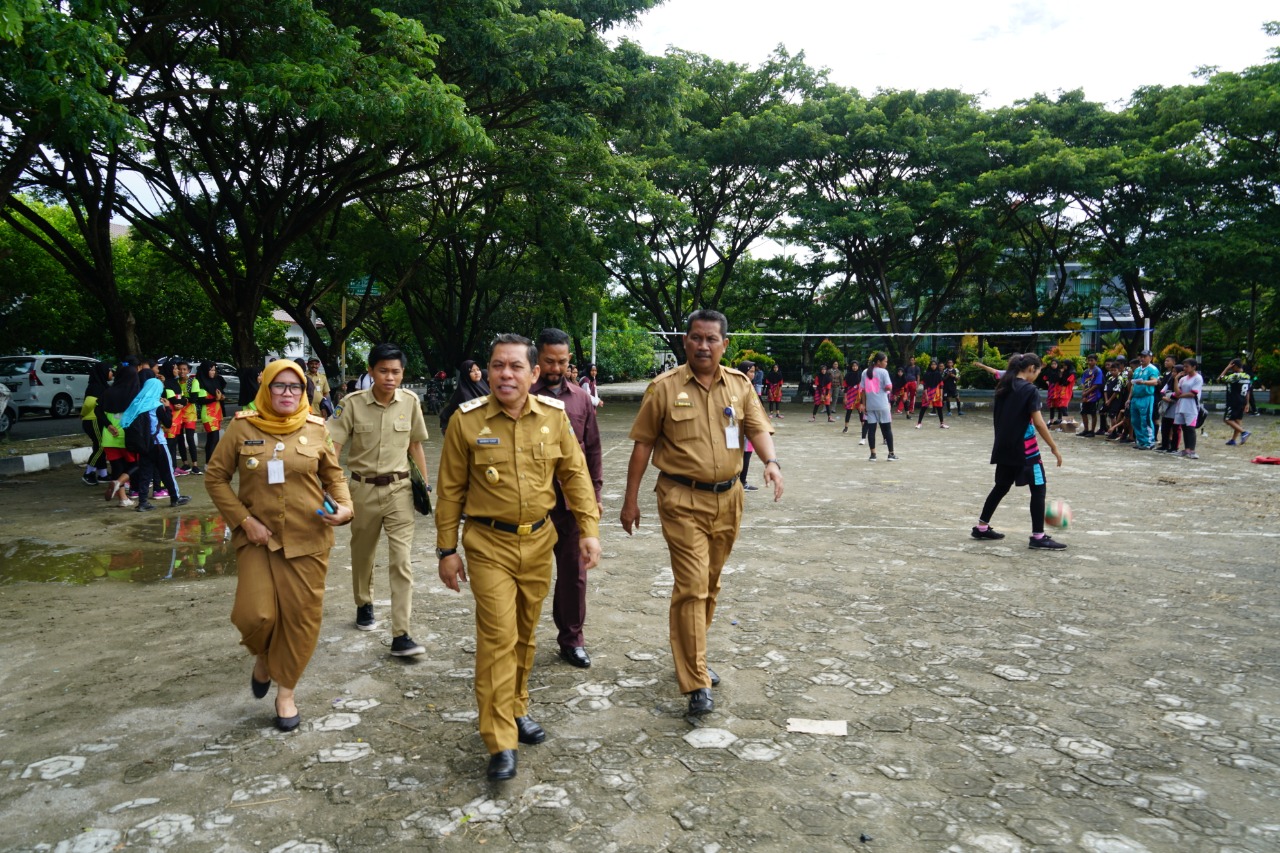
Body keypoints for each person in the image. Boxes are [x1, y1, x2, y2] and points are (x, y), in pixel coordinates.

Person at [435, 333, 601, 781]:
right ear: (487, 372)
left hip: (539, 540)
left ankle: (516, 705)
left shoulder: (553, 416)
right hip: (488, 545)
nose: (505, 374)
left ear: (533, 374)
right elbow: (449, 491)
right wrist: (446, 549)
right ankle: (500, 737)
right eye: (496, 366)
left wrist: (589, 529)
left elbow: (575, 474)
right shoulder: (465, 422)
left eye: (514, 367)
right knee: (497, 638)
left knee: (526, 634)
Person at [620, 309, 783, 718]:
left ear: (724, 344)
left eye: (711, 339)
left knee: (709, 585)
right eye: (696, 338)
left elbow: (755, 427)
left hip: (728, 499)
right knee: (691, 584)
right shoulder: (663, 388)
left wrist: (771, 462)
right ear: (686, 341)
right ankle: (695, 680)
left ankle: (694, 654)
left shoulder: (740, 385)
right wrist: (630, 499)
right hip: (680, 498)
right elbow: (642, 445)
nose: (703, 345)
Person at [205, 359, 354, 731]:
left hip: (309, 538)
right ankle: (264, 656)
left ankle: (285, 692)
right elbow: (216, 478)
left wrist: (347, 508)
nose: (287, 394)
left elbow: (333, 477)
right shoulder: (242, 428)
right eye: (279, 386)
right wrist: (244, 521)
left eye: (295, 387)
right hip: (259, 539)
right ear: (266, 388)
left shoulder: (318, 429)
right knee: (255, 614)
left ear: (305, 391)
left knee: (301, 621)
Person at [327, 343, 431, 657]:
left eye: (395, 371)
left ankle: (402, 634)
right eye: (383, 370)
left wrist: (423, 487)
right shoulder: (352, 404)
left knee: (401, 562)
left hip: (399, 490)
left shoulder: (410, 402)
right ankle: (364, 603)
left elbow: (415, 446)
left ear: (402, 373)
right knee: (363, 553)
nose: (389, 377)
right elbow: (333, 448)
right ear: (371, 371)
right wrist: (333, 490)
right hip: (361, 491)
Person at [530, 329, 604, 669]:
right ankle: (521, 639)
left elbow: (592, 449)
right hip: (533, 502)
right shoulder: (524, 395)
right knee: (529, 573)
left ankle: (572, 639)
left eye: (562, 361)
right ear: (537, 359)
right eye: (549, 361)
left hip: (572, 503)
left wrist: (595, 494)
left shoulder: (580, 399)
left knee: (574, 573)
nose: (556, 368)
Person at [971, 353, 1066, 550]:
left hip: (1004, 446)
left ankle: (981, 527)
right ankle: (1038, 536)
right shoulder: (1030, 390)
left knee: (1001, 486)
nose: (1037, 376)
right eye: (1038, 371)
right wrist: (1054, 448)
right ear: (1031, 368)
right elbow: (1039, 423)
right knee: (1038, 488)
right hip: (1026, 449)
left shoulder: (1004, 386)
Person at [121, 372, 189, 511]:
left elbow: (125, 422)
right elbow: (168, 424)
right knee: (167, 471)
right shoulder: (156, 405)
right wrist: (168, 408)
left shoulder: (136, 404)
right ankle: (175, 497)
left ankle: (143, 502)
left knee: (145, 474)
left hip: (144, 444)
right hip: (158, 443)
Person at [98, 365, 141, 507]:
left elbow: (98, 411)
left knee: (117, 467)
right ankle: (119, 482)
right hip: (127, 437)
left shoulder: (108, 392)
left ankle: (123, 499)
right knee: (136, 464)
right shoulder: (135, 394)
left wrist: (108, 425)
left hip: (109, 436)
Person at [165, 359, 204, 474]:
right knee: (180, 439)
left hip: (190, 414)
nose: (181, 371)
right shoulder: (175, 382)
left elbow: (194, 399)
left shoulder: (193, 381)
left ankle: (195, 465)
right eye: (179, 369)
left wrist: (183, 401)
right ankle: (185, 463)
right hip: (178, 414)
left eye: (184, 369)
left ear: (188, 370)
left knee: (190, 438)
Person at [81, 362, 114, 485]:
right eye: (110, 370)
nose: (111, 373)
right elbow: (89, 403)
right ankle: (88, 473)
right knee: (101, 446)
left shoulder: (102, 386)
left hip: (97, 419)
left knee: (98, 446)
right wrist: (83, 414)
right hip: (93, 419)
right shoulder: (96, 387)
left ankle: (103, 474)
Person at [861, 353, 898, 461]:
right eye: (885, 361)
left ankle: (873, 455)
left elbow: (862, 390)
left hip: (870, 405)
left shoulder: (865, 372)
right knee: (887, 429)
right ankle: (891, 454)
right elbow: (889, 387)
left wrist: (864, 404)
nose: (886, 363)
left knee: (871, 430)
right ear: (878, 362)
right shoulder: (883, 372)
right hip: (882, 404)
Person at [439, 359, 489, 435]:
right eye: (472, 371)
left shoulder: (483, 385)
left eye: (478, 370)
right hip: (465, 430)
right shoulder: (463, 393)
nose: (477, 373)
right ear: (466, 374)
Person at [1128, 350, 1161, 450]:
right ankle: (1140, 441)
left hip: (1146, 397)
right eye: (1141, 356)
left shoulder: (1152, 369)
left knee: (1145, 419)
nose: (1142, 358)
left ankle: (1148, 442)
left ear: (1150, 358)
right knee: (1135, 420)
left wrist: (1144, 382)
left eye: (1144, 356)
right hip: (1136, 397)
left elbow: (1155, 381)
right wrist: (1129, 398)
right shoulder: (1137, 370)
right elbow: (1133, 385)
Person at [1171, 358, 1203, 459]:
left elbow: (1193, 393)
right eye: (1184, 366)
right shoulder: (1183, 379)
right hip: (1181, 405)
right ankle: (1187, 449)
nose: (1185, 368)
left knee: (1190, 428)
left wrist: (1180, 396)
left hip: (1191, 406)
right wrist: (1176, 379)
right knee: (1184, 428)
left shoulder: (1198, 378)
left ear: (1194, 367)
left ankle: (1192, 450)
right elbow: (1177, 392)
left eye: (1187, 366)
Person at [197, 361, 226, 468]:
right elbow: (201, 400)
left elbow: (221, 393)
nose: (213, 372)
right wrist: (216, 398)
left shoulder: (215, 381)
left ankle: (212, 461)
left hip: (217, 412)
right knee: (212, 438)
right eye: (211, 370)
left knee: (215, 438)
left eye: (214, 370)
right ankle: (208, 463)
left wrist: (222, 397)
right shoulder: (200, 382)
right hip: (209, 414)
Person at [1219, 358, 1252, 446]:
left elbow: (1220, 379)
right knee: (1237, 420)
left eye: (1232, 367)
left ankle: (1244, 432)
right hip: (1242, 400)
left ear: (1236, 366)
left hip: (1233, 401)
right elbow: (1248, 391)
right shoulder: (1247, 376)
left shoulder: (1235, 376)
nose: (1231, 369)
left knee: (1227, 419)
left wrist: (1226, 368)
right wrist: (1247, 403)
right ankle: (1233, 440)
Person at [915, 361, 948, 429]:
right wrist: (926, 395)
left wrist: (941, 395)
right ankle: (919, 423)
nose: (933, 366)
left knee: (939, 409)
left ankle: (942, 423)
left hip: (937, 393)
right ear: (930, 365)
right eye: (932, 364)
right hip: (928, 392)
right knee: (923, 408)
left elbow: (941, 385)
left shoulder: (938, 374)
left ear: (936, 366)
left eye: (935, 364)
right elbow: (925, 386)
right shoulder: (926, 374)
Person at [1078, 354, 1104, 437]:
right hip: (1086, 395)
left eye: (1092, 360)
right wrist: (1084, 392)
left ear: (1096, 361)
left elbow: (1097, 384)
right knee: (1083, 412)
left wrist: (1087, 392)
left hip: (1094, 395)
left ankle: (1092, 431)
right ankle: (1086, 429)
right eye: (1088, 360)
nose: (1090, 362)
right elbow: (1083, 383)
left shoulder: (1098, 371)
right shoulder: (1086, 371)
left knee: (1093, 413)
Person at [841, 360, 862, 434]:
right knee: (848, 411)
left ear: (858, 366)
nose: (854, 367)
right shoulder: (848, 375)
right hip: (850, 394)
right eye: (853, 366)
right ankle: (846, 427)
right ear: (851, 367)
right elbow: (845, 387)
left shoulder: (861, 374)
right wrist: (845, 397)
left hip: (859, 395)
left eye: (856, 366)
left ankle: (863, 427)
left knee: (860, 411)